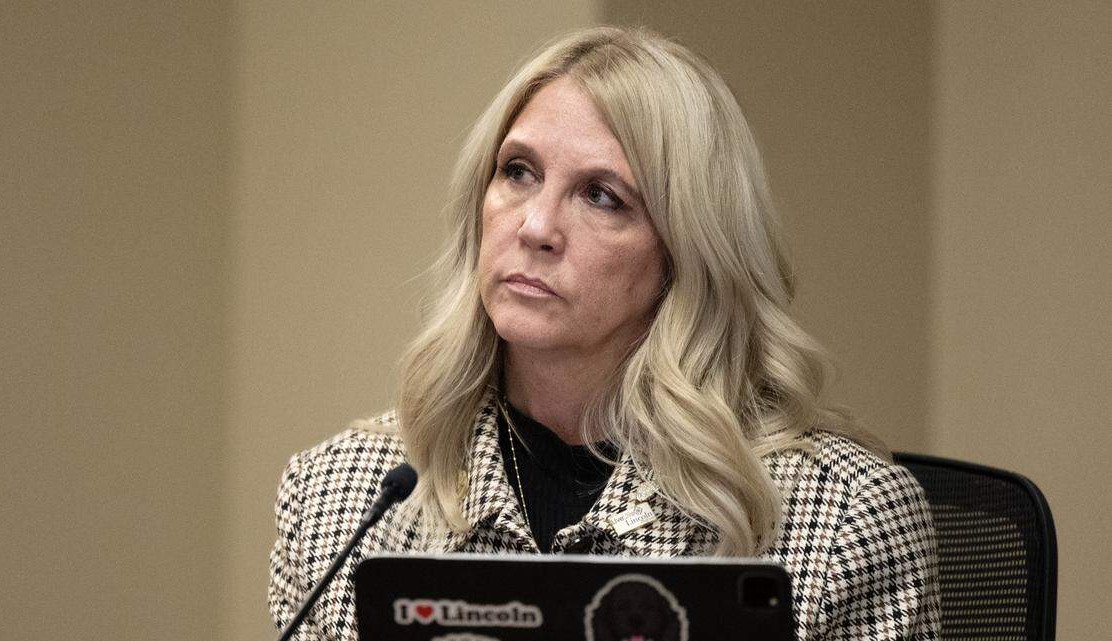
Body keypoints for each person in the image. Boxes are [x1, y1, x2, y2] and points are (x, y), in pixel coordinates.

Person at [269, 25, 940, 641]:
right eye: (518, 172)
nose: (535, 227)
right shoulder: (341, 492)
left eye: (601, 196)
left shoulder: (835, 517)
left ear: (685, 251)